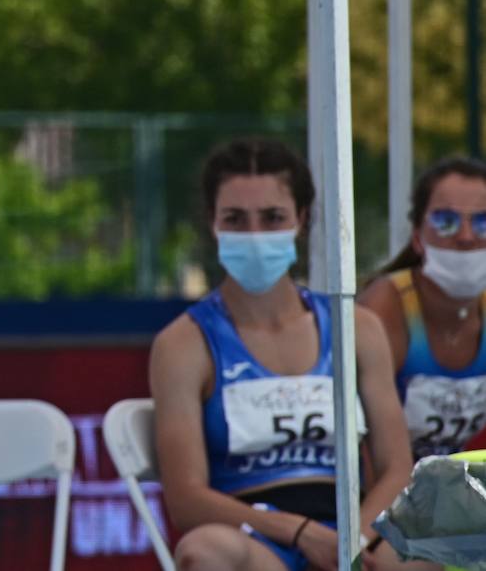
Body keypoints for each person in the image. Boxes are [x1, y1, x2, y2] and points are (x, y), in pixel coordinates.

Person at [149, 138, 417, 571]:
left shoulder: (356, 329)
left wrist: (353, 543)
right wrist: (299, 533)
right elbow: (186, 499)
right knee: (203, 551)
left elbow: (397, 467)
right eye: (235, 219)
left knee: (440, 545)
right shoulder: (183, 344)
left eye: (273, 218)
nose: (255, 235)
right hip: (256, 540)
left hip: (353, 534)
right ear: (212, 225)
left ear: (302, 219)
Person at [359, 157, 486, 462]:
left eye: (483, 222)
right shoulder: (384, 307)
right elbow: (363, 444)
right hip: (400, 495)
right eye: (446, 221)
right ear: (417, 237)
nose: (466, 237)